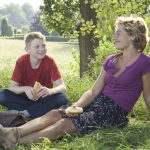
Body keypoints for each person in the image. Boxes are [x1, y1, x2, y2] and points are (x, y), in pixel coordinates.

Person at [1, 16, 150, 149]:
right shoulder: (111, 60)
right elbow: (93, 91)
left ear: (133, 36)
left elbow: (148, 96)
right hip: (96, 102)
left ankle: (15, 141)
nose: (114, 37)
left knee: (63, 124)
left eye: (118, 33)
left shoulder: (145, 62)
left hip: (113, 111)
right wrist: (77, 105)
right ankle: (14, 132)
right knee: (55, 114)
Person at [0, 32, 69, 118]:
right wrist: (26, 89)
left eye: (44, 45)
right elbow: (13, 88)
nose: (42, 49)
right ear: (27, 49)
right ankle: (38, 110)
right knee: (2, 95)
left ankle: (24, 113)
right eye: (37, 47)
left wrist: (50, 91)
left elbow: (62, 87)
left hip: (44, 98)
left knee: (63, 97)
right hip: (24, 97)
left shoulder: (50, 62)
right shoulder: (21, 62)